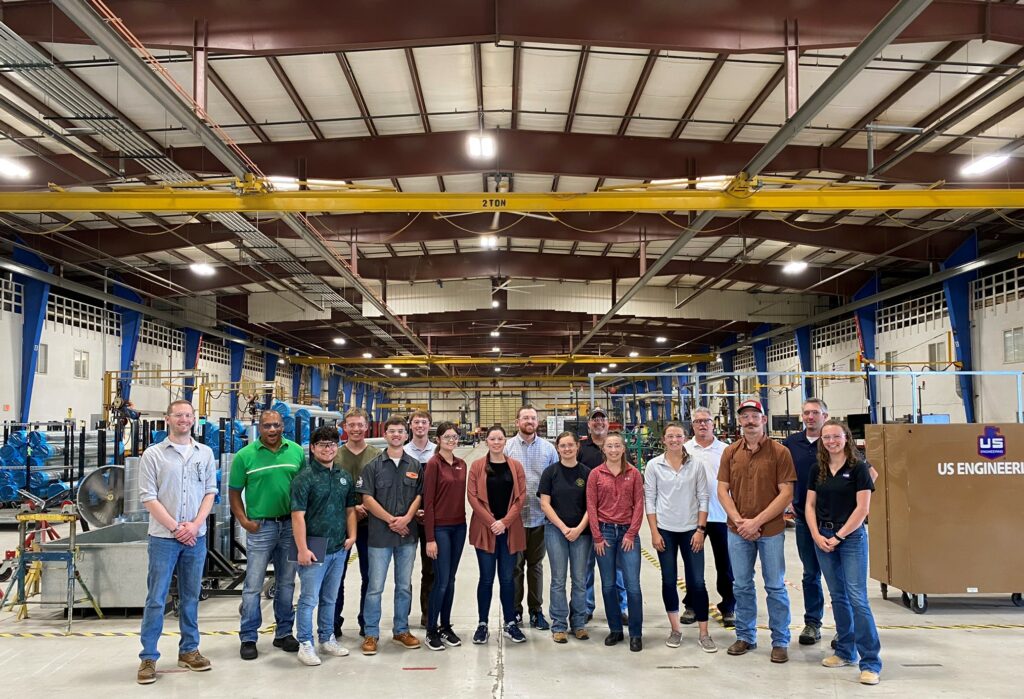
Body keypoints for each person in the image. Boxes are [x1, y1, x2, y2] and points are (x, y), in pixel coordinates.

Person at [136, 400, 217, 684]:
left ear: (194, 420)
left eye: (188, 415)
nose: (184, 419)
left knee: (191, 596)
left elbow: (210, 492)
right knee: (156, 598)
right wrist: (175, 527)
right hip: (163, 538)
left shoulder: (204, 453)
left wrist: (194, 526)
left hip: (195, 537)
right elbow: (148, 496)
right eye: (178, 415)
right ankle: (148, 657)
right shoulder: (153, 455)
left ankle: (189, 650)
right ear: (167, 418)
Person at [718, 399, 797, 663]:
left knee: (775, 586)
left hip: (771, 531)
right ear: (740, 421)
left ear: (764, 419)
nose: (749, 421)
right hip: (737, 530)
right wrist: (740, 520)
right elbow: (722, 490)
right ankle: (745, 636)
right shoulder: (730, 452)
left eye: (754, 416)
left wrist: (757, 522)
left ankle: (780, 641)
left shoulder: (779, 452)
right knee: (741, 585)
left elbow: (786, 492)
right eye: (745, 417)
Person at [806, 420, 883, 686]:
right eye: (826, 437)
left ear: (845, 438)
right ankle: (845, 651)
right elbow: (809, 504)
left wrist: (839, 536)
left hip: (850, 538)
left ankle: (871, 661)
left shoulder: (859, 468)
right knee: (838, 596)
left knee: (857, 598)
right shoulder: (818, 469)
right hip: (823, 537)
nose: (831, 441)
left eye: (836, 436)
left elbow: (862, 509)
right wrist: (817, 535)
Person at [229, 409, 305, 660]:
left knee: (286, 583)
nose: (272, 430)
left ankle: (283, 633)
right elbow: (234, 492)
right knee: (253, 585)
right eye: (266, 426)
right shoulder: (245, 456)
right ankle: (248, 636)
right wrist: (243, 520)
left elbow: (305, 489)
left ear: (283, 426)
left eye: (276, 425)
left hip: (289, 527)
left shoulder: (295, 452)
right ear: (259, 428)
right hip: (260, 527)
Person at [645, 422, 717, 653]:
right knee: (668, 580)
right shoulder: (654, 465)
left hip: (691, 530)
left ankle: (704, 633)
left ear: (685, 438)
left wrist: (700, 530)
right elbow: (650, 500)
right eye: (670, 436)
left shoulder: (696, 465)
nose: (674, 440)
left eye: (678, 436)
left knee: (697, 581)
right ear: (663, 440)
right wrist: (654, 532)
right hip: (665, 530)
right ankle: (675, 630)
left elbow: (703, 497)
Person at [290, 425, 357, 666]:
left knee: (330, 597)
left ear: (337, 447)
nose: (327, 449)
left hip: (339, 547)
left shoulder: (343, 476)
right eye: (322, 445)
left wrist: (352, 536)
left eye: (331, 444)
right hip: (313, 545)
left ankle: (326, 637)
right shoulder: (304, 478)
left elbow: (350, 510)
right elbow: (297, 516)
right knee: (309, 598)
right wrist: (302, 548)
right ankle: (305, 643)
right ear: (312, 448)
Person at [357, 416, 423, 655]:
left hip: (407, 536)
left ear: (406, 436)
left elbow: (418, 497)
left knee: (404, 586)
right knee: (375, 587)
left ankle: (401, 630)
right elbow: (367, 499)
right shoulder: (373, 466)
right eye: (392, 431)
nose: (396, 435)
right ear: (385, 435)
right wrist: (391, 521)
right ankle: (371, 633)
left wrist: (405, 519)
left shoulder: (415, 466)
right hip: (379, 537)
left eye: (400, 432)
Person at [468, 425, 528, 644]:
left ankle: (510, 623)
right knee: (486, 579)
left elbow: (521, 497)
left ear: (505, 441)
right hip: (486, 530)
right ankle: (482, 624)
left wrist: (504, 522)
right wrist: (492, 522)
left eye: (500, 438)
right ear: (487, 442)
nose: (496, 442)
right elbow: (473, 497)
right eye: (492, 439)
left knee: (507, 579)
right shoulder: (476, 466)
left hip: (509, 530)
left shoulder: (515, 467)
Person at [586, 432, 644, 652]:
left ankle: (636, 633)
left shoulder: (634, 474)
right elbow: (591, 506)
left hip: (628, 533)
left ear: (623, 448)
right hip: (605, 534)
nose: (613, 449)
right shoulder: (595, 475)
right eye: (609, 446)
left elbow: (639, 504)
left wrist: (631, 533)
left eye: (617, 445)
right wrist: (597, 536)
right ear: (604, 450)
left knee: (632, 586)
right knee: (608, 585)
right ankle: (616, 630)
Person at [504, 405, 559, 630]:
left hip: (540, 518)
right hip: (515, 520)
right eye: (525, 417)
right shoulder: (507, 447)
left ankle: (536, 610)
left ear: (538, 422)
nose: (529, 421)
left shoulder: (548, 449)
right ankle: (515, 611)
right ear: (517, 422)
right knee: (515, 567)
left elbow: (556, 481)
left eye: (533, 418)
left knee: (535, 566)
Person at [783, 398, 829, 645]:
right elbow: (781, 476)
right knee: (810, 574)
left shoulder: (834, 440)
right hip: (803, 518)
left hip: (835, 522)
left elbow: (867, 473)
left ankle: (846, 627)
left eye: (815, 413)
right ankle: (813, 623)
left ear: (826, 416)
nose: (810, 417)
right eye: (806, 413)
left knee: (838, 577)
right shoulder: (791, 444)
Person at [684, 406, 735, 628]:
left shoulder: (727, 450)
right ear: (692, 425)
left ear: (713, 423)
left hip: (721, 516)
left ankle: (729, 605)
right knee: (693, 564)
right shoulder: (684, 449)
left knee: (725, 565)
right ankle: (692, 605)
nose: (702, 425)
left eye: (706, 421)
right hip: (692, 518)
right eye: (698, 421)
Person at [538, 431, 592, 643]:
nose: (567, 449)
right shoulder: (550, 472)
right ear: (557, 448)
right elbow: (545, 504)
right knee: (558, 580)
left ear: (577, 447)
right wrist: (563, 527)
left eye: (571, 445)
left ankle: (579, 624)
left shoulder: (587, 473)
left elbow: (592, 506)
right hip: (555, 531)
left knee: (579, 580)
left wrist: (578, 528)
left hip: (582, 532)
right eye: (563, 446)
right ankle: (559, 625)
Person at [333, 407, 381, 638]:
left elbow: (381, 488)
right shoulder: (336, 455)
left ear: (367, 427)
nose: (356, 429)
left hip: (371, 525)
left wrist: (366, 507)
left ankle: (366, 622)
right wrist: (352, 508)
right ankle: (333, 623)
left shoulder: (376, 455)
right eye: (351, 425)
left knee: (370, 577)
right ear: (344, 427)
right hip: (340, 525)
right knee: (335, 577)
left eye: (360, 424)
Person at [577, 407, 627, 624]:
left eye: (602, 419)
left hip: (614, 520)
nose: (599, 423)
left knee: (617, 568)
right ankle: (587, 607)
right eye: (594, 420)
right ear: (589, 425)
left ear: (608, 423)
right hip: (587, 519)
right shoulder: (582, 450)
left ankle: (620, 607)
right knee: (586, 567)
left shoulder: (618, 448)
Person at [422, 422, 468, 652]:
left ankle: (445, 626)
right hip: (440, 529)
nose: (451, 440)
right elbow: (428, 503)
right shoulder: (433, 464)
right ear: (438, 439)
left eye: (454, 437)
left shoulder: (462, 464)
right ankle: (431, 629)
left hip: (459, 527)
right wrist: (430, 537)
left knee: (450, 580)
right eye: (447, 437)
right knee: (440, 582)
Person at [405, 409, 438, 628]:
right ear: (410, 425)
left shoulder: (437, 452)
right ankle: (402, 617)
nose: (420, 426)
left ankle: (428, 613)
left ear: (429, 425)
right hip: (406, 517)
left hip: (431, 517)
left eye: (424, 422)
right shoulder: (402, 451)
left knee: (430, 569)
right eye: (416, 422)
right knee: (404, 570)